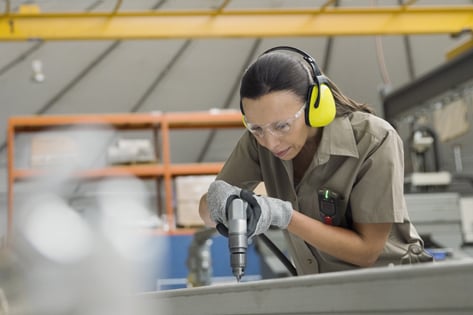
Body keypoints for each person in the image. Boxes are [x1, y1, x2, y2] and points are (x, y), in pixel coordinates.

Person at [199, 46, 432, 275]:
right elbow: (208, 214)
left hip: (393, 288)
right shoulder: (257, 142)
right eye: (256, 128)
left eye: (282, 126)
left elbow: (367, 251)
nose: (270, 143)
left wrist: (283, 215)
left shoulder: (373, 139)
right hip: (322, 292)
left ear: (316, 106)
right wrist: (217, 201)